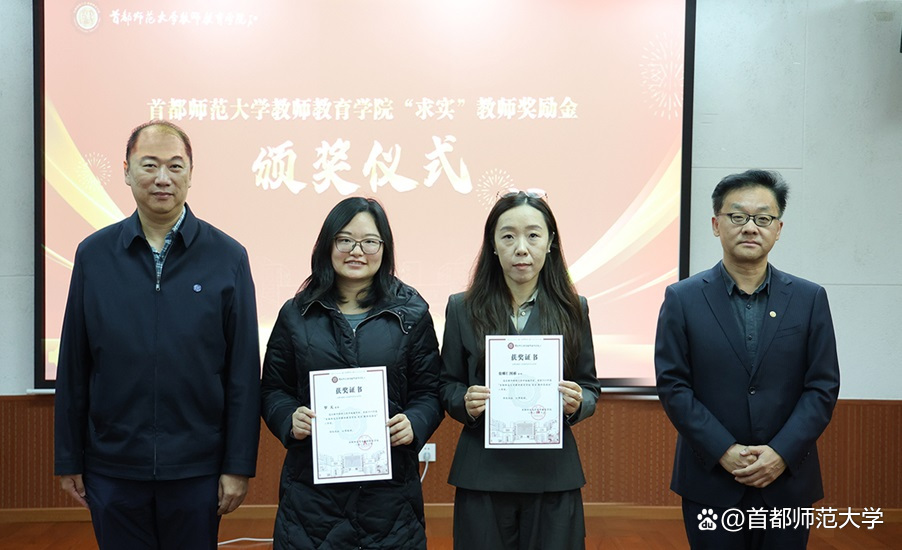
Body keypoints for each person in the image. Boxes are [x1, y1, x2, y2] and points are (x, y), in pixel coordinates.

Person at [54, 120, 261, 549]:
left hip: (197, 468)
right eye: (149, 165)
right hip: (113, 466)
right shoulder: (94, 255)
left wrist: (238, 465)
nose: (162, 178)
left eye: (175, 166)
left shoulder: (227, 256)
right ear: (127, 171)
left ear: (191, 173)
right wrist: (69, 457)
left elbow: (243, 371)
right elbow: (74, 364)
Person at [655, 169, 840, 549]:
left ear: (778, 228)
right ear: (716, 224)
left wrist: (781, 453)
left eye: (763, 218)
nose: (750, 227)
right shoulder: (682, 299)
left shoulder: (809, 299)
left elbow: (822, 386)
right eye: (737, 216)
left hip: (787, 480)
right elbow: (673, 386)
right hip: (711, 479)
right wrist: (723, 450)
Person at [260, 197, 443, 549]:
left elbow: (429, 390)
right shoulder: (296, 314)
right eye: (345, 240)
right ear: (327, 245)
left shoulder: (411, 312)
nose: (357, 251)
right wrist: (289, 418)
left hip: (390, 497)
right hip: (311, 497)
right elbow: (273, 389)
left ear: (384, 248)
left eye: (369, 241)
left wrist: (415, 422)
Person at [439, 189, 601, 550]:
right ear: (493, 245)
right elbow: (446, 383)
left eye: (533, 235)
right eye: (508, 236)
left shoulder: (574, 308)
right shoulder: (463, 308)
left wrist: (579, 402)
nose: (521, 248)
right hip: (483, 472)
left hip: (552, 473)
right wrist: (465, 401)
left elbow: (589, 385)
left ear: (550, 242)